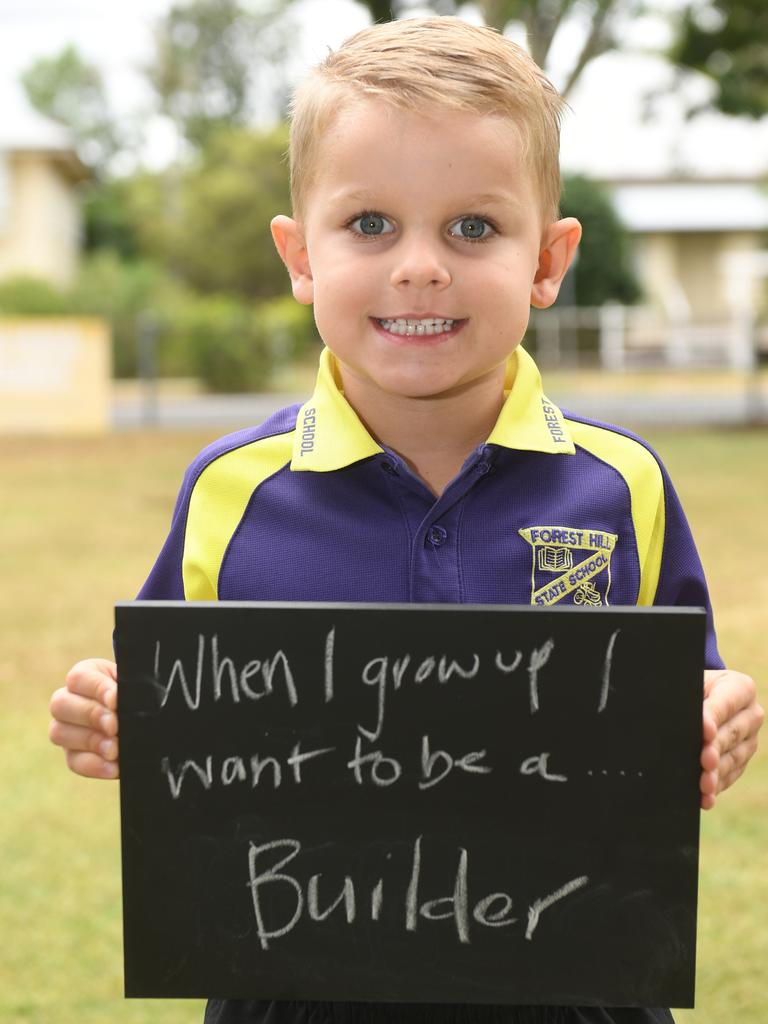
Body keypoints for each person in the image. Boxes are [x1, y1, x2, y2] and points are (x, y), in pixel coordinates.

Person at [49, 16, 763, 1024]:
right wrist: (113, 716)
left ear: (548, 259)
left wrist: (716, 713)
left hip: (570, 987)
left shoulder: (621, 483)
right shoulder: (231, 489)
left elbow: (680, 694)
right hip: (298, 989)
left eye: (473, 227)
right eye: (370, 224)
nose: (420, 265)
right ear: (300, 257)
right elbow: (173, 709)